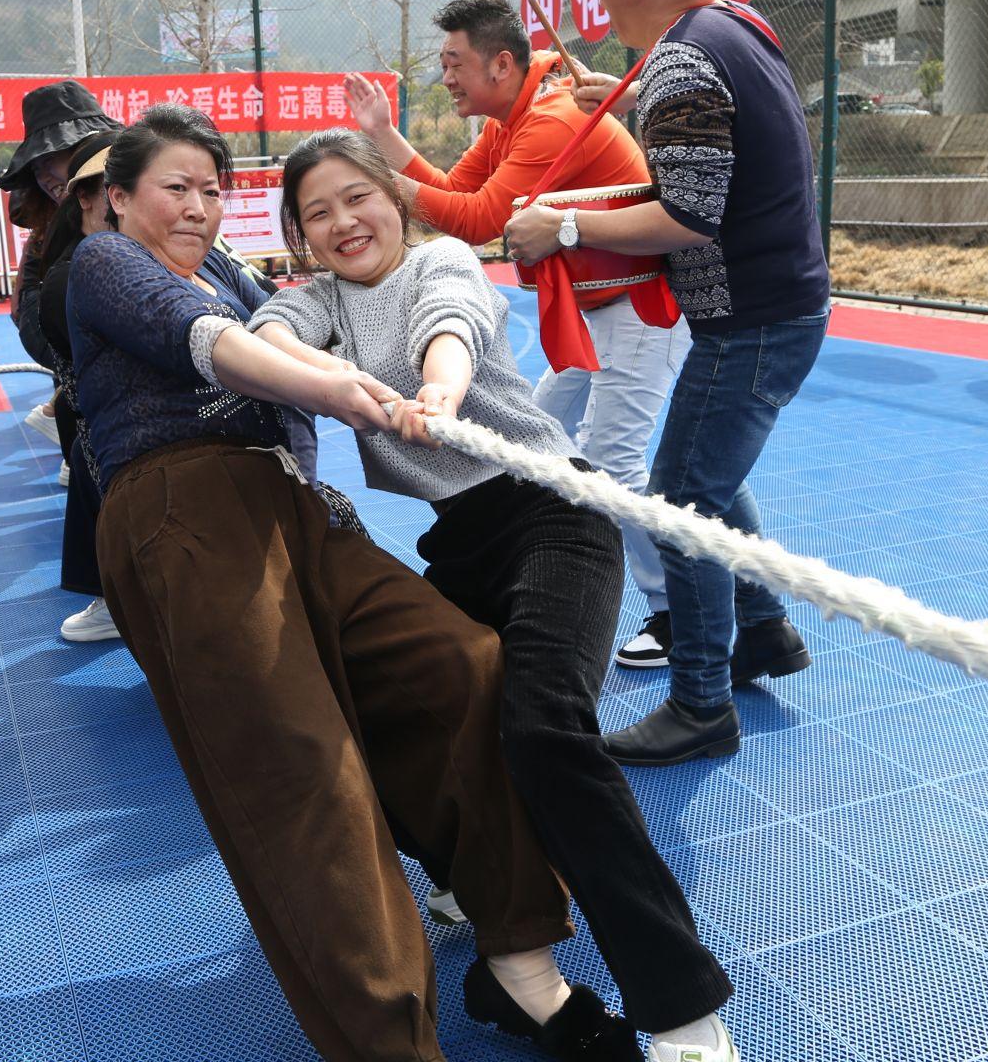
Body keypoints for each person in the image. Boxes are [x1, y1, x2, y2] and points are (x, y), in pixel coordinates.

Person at [71, 105, 635, 1062]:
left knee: (461, 664)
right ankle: (391, 1045)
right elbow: (211, 341)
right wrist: (333, 388)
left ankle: (520, 965)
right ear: (119, 200)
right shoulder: (106, 262)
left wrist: (401, 372)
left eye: (214, 189)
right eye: (176, 188)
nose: (199, 206)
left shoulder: (229, 273)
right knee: (304, 771)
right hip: (183, 511)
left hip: (295, 507)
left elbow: (311, 316)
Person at [253, 129, 738, 1062]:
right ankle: (478, 878)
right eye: (317, 213)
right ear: (301, 235)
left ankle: (683, 1009)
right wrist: (325, 377)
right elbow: (270, 336)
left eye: (358, 198)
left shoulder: (438, 260)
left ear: (395, 199)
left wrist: (439, 392)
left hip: (553, 512)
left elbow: (450, 329)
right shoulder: (319, 303)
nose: (344, 222)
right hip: (461, 540)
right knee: (392, 709)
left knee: (545, 728)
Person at [505, 0, 827, 767]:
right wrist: (634, 94)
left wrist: (562, 226)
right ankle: (763, 630)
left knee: (682, 502)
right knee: (709, 479)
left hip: (750, 321)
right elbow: (714, 139)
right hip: (777, 308)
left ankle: (700, 704)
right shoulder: (734, 27)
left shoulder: (684, 63)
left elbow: (689, 214)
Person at [345, 0, 690, 665]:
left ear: (501, 64)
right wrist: (382, 137)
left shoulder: (551, 120)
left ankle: (680, 612)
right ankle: (525, 571)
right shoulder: (513, 120)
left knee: (613, 461)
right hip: (597, 315)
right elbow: (454, 192)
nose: (445, 76)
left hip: (643, 310)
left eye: (454, 62)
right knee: (535, 437)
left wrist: (372, 183)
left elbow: (478, 221)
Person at [34, 133, 122, 641]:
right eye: (112, 188)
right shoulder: (71, 275)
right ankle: (117, 590)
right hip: (110, 437)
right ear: (85, 198)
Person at [0, 82, 122, 450]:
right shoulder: (57, 225)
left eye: (55, 156)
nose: (46, 174)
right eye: (37, 165)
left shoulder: (126, 193)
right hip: (49, 319)